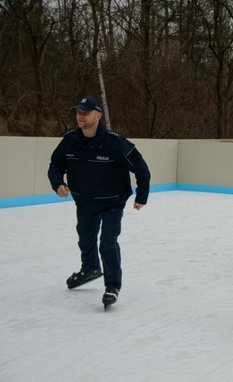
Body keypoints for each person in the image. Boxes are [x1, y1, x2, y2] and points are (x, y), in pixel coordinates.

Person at [48, 96, 151, 308]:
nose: (80, 116)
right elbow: (55, 165)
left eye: (85, 112)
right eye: (78, 112)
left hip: (112, 201)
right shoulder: (70, 140)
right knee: (85, 238)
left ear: (98, 115)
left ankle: (112, 286)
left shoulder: (115, 142)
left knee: (108, 242)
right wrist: (58, 183)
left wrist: (142, 196)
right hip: (84, 201)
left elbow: (141, 168)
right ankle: (90, 268)